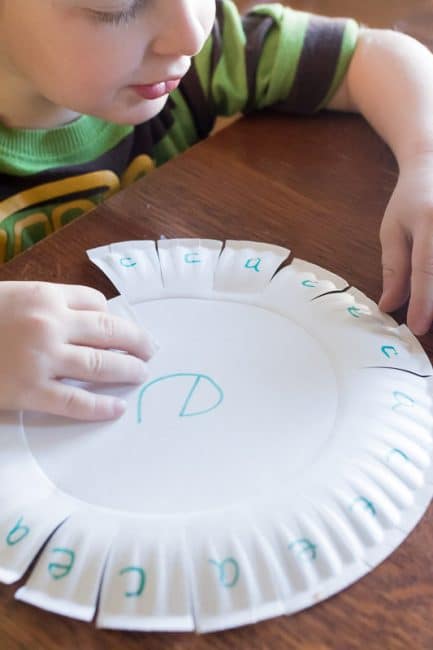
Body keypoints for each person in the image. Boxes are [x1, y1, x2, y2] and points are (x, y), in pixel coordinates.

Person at [0, 0, 432, 421]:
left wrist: (426, 157)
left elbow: (370, 55)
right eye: (115, 9)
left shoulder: (201, 55)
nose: (190, 35)